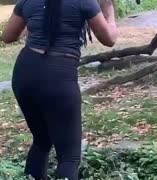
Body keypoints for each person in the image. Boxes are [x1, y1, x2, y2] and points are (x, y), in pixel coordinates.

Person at [0, 0, 119, 179]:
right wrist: (109, 10)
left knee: (42, 140)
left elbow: (8, 36)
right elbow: (109, 39)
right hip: (58, 77)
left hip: (25, 73)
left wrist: (37, 24)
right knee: (69, 156)